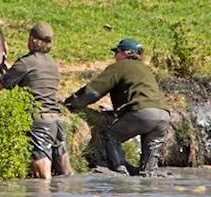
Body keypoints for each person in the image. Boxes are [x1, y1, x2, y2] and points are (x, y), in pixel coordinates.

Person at [0, 22, 73, 180]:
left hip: (40, 123)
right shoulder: (52, 63)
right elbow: (27, 79)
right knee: (66, 174)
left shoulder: (26, 62)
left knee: (42, 178)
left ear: (32, 40)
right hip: (57, 121)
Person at [64, 38, 170, 176]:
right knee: (148, 173)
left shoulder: (120, 66)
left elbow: (94, 91)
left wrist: (72, 102)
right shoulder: (145, 69)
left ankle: (120, 171)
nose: (115, 56)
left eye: (117, 52)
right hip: (164, 116)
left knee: (110, 135)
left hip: (143, 113)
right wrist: (116, 111)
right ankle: (148, 177)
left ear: (125, 53)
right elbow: (141, 95)